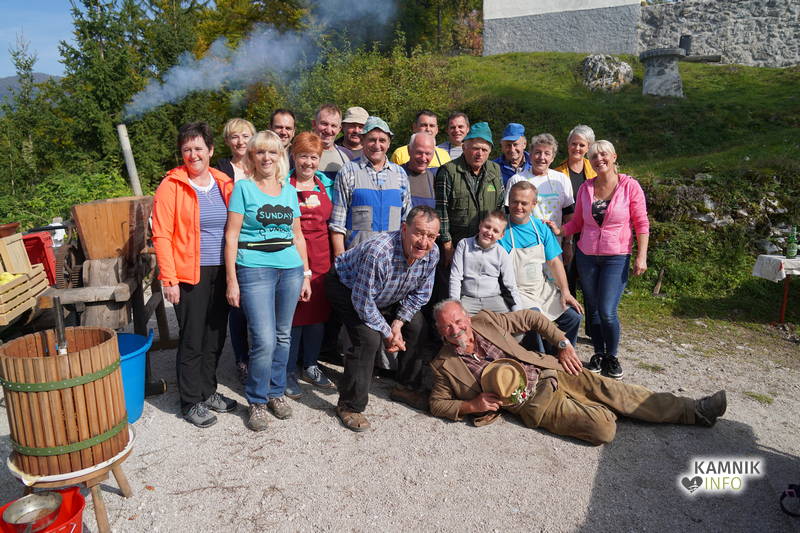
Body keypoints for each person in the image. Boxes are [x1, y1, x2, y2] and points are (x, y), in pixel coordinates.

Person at [429, 300, 728, 445]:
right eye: (447, 327)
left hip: (551, 369)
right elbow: (437, 403)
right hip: (535, 404)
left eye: (459, 321)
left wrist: (562, 345)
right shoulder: (443, 365)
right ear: (441, 332)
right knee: (604, 431)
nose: (456, 330)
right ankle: (610, 408)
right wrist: (471, 406)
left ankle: (695, 411)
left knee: (617, 390)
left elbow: (532, 318)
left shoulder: (486, 321)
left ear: (467, 317)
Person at [224, 130, 312, 432]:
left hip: (290, 269)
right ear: (252, 156)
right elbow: (231, 235)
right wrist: (232, 280)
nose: (266, 157)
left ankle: (276, 393)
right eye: (260, 152)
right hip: (254, 269)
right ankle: (257, 400)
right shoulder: (243, 189)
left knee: (283, 335)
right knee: (263, 338)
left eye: (272, 152)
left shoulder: (288, 190)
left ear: (279, 156)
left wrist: (306, 274)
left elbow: (297, 235)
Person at [325, 206, 441, 432]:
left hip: (389, 293)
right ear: (404, 229)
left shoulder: (432, 253)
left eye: (431, 236)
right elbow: (364, 302)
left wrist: (398, 323)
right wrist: (388, 333)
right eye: (418, 233)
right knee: (367, 338)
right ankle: (350, 405)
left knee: (417, 325)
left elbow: (421, 294)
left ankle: (406, 387)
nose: (424, 242)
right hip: (347, 287)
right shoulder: (379, 252)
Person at [153, 122, 237, 428]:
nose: (193, 154)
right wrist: (169, 279)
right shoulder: (171, 186)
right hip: (190, 273)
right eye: (187, 149)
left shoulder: (223, 182)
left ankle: (208, 390)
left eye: (199, 148)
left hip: (222, 269)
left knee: (215, 335)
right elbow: (161, 235)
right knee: (192, 337)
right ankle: (190, 401)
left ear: (211, 150)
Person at [549, 140, 649, 381]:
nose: (599, 159)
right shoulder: (586, 188)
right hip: (587, 255)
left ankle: (612, 356)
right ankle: (598, 353)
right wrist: (560, 230)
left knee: (607, 310)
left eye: (603, 155)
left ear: (614, 157)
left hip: (617, 255)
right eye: (594, 156)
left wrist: (641, 256)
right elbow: (578, 222)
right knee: (592, 309)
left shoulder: (630, 186)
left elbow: (641, 222)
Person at [499, 181, 583, 350]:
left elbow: (554, 262)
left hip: (541, 288)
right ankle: (540, 359)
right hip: (516, 291)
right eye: (514, 201)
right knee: (535, 318)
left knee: (574, 317)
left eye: (524, 203)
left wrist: (565, 291)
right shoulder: (501, 230)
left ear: (533, 204)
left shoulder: (540, 228)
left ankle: (561, 354)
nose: (518, 207)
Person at [285, 132, 335, 398]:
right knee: (294, 316)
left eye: (314, 157)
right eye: (303, 156)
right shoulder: (283, 184)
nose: (308, 162)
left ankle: (310, 365)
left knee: (318, 315)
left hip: (322, 257)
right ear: (294, 156)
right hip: (293, 255)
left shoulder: (326, 184)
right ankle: (287, 370)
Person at [329, 116, 413, 256]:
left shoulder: (400, 174)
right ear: (362, 141)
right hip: (357, 256)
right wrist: (340, 258)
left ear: (389, 143)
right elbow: (337, 224)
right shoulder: (348, 171)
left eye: (382, 140)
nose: (377, 145)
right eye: (372, 140)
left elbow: (406, 220)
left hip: (392, 257)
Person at [214, 118, 255, 384]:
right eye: (234, 137)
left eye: (245, 136)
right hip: (233, 241)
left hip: (258, 243)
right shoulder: (220, 169)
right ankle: (242, 359)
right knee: (237, 305)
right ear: (228, 141)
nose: (240, 142)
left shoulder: (262, 163)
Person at [435, 121, 504, 267]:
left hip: (487, 246)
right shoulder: (448, 171)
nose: (480, 154)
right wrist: (447, 246)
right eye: (475, 148)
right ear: (464, 147)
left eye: (484, 150)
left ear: (490, 151)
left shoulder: (495, 170)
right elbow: (441, 210)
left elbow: (500, 207)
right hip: (456, 246)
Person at [449, 210, 522, 315]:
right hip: (468, 299)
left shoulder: (502, 253)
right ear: (480, 225)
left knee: (511, 322)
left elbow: (510, 285)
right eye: (487, 227)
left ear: (501, 235)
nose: (489, 232)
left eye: (495, 231)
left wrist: (517, 312)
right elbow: (455, 277)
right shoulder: (464, 245)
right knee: (457, 319)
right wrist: (455, 304)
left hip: (494, 300)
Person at [554, 125, 597, 294]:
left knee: (590, 281)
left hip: (590, 233)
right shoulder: (557, 173)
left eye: (581, 145)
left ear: (588, 148)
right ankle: (570, 310)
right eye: (573, 144)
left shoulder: (596, 171)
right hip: (568, 233)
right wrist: (567, 241)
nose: (577, 148)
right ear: (568, 145)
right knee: (568, 275)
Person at [504, 133, 574, 235]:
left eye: (547, 153)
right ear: (530, 155)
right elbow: (508, 214)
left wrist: (568, 241)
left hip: (554, 241)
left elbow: (569, 215)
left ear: (553, 158)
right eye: (537, 152)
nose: (542, 157)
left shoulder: (562, 180)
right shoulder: (516, 180)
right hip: (523, 240)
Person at [312, 104, 349, 182]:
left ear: (339, 129)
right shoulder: (300, 152)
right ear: (314, 124)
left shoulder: (347, 155)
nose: (328, 130)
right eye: (324, 124)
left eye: (333, 126)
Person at [403, 132, 436, 208]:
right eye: (419, 153)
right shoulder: (398, 174)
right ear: (409, 150)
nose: (423, 158)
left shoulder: (435, 178)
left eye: (428, 153)